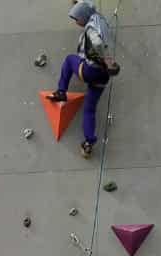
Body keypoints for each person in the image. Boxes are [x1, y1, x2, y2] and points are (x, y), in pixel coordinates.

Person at [46, 2, 121, 159]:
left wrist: (107, 61)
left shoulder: (91, 27)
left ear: (83, 16)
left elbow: (98, 43)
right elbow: (88, 5)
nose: (76, 22)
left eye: (77, 18)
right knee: (89, 109)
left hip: (90, 70)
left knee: (69, 60)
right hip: (103, 75)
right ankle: (88, 142)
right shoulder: (99, 19)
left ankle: (61, 92)